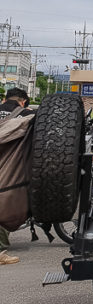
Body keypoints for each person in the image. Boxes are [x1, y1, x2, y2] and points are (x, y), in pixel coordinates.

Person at [0, 87, 31, 265]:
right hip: (11, 168)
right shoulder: (27, 114)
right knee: (5, 204)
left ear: (5, 99)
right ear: (23, 102)